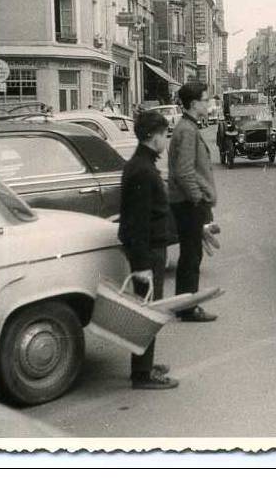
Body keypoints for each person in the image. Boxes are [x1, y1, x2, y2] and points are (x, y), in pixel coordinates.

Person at [118, 110, 179, 389]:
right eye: (164, 134)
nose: (166, 139)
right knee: (148, 312)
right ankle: (142, 374)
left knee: (148, 309)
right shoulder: (142, 169)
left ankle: (144, 364)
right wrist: (142, 265)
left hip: (152, 249)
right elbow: (138, 220)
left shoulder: (143, 164)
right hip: (148, 252)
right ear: (152, 136)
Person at [168, 82, 219, 322]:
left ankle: (183, 304)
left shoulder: (187, 127)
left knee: (190, 254)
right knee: (191, 256)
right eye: (205, 100)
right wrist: (199, 200)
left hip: (185, 201)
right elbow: (185, 172)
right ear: (193, 104)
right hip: (188, 203)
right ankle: (188, 308)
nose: (208, 104)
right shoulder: (187, 130)